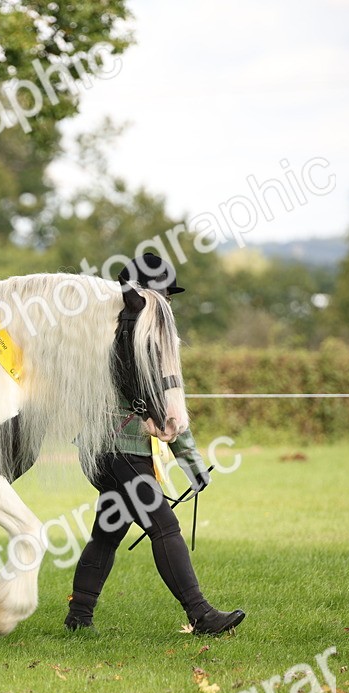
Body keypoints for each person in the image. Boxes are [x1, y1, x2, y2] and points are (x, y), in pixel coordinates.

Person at [66, 254, 245, 636]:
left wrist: (190, 463)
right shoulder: (141, 336)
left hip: (98, 452)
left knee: (108, 530)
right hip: (123, 451)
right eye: (165, 295)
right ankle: (201, 615)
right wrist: (192, 463)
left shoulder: (106, 330)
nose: (168, 304)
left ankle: (78, 616)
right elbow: (166, 403)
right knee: (164, 526)